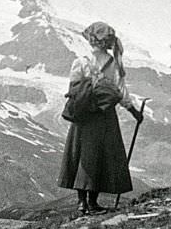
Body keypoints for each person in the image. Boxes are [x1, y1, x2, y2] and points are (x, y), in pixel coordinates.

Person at [58, 21, 144, 214]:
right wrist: (135, 113)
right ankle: (93, 203)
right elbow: (122, 94)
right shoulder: (114, 65)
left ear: (91, 40)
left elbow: (73, 90)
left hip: (83, 115)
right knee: (100, 157)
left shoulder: (80, 61)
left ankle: (81, 203)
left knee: (82, 156)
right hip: (104, 116)